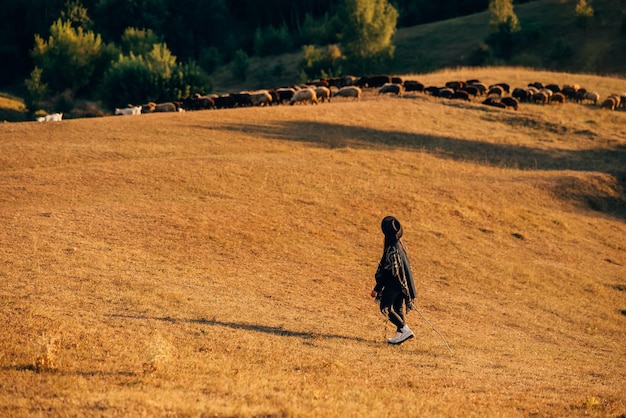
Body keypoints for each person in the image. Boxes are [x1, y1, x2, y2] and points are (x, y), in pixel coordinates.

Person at [371, 216, 417, 345]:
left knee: (385, 307)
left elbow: (387, 272)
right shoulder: (400, 246)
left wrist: (377, 288)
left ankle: (404, 329)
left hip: (394, 284)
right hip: (402, 285)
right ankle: (399, 334)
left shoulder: (392, 249)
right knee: (398, 309)